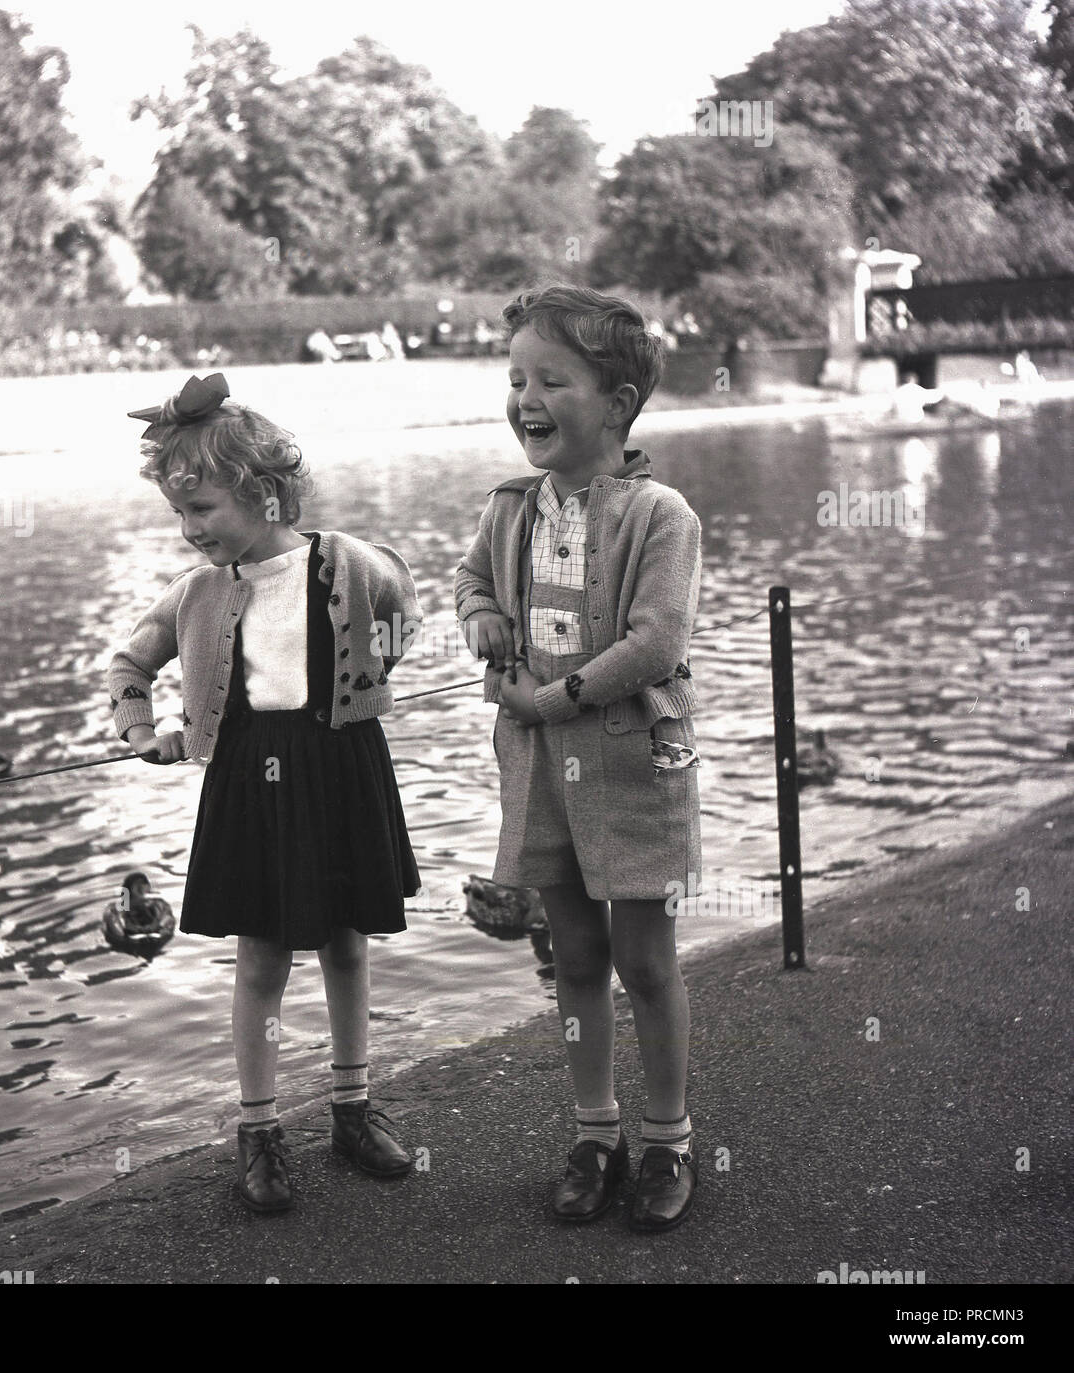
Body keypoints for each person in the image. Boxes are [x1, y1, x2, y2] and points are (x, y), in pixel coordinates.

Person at [108, 373, 423, 1213]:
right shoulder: (196, 594)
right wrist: (143, 733)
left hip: (342, 762)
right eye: (179, 515)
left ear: (268, 493)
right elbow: (130, 664)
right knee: (261, 959)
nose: (189, 531)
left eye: (202, 510)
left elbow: (403, 612)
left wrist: (371, 674)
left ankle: (353, 1110)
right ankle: (260, 1129)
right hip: (250, 778)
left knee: (348, 943)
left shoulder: (350, 563)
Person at [455, 284, 702, 1233]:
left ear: (618, 402)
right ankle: (596, 1134)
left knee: (644, 958)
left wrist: (549, 698)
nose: (525, 397)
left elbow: (655, 642)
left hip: (631, 758)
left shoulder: (661, 515)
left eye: (551, 378)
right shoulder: (512, 507)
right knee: (573, 958)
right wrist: (481, 618)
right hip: (538, 768)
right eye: (517, 378)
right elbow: (475, 581)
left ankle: (670, 1139)